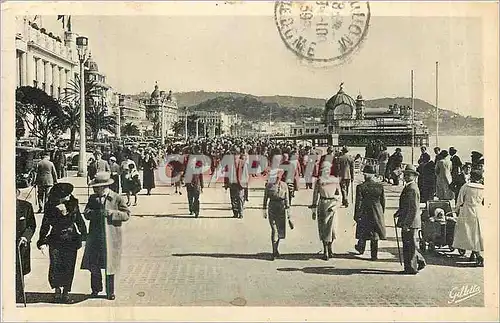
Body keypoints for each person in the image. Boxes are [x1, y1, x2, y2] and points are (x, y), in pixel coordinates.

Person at [81, 172, 131, 300]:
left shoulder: (116, 198)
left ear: (104, 187)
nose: (94, 189)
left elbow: (126, 214)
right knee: (94, 264)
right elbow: (86, 213)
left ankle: (110, 292)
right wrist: (95, 213)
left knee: (110, 266)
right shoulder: (93, 198)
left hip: (111, 237)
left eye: (97, 187)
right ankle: (95, 289)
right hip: (95, 236)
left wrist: (112, 213)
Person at [36, 183, 87, 303]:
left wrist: (84, 235)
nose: (69, 196)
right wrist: (42, 240)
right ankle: (57, 290)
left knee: (69, 266)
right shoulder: (50, 207)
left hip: (71, 239)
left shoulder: (73, 204)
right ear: (59, 196)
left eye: (69, 194)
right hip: (55, 239)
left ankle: (66, 292)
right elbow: (45, 225)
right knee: (55, 265)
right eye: (66, 195)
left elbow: (79, 220)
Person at [394, 165, 426, 274]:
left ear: (414, 176)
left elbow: (413, 208)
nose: (406, 176)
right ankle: (420, 260)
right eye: (405, 174)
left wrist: (407, 224)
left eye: (409, 174)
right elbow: (406, 205)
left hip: (410, 222)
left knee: (409, 245)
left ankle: (411, 268)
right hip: (410, 220)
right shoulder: (410, 186)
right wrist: (399, 212)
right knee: (410, 243)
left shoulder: (412, 188)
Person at [354, 165, 386, 260]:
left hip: (365, 211)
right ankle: (374, 255)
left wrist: (356, 215)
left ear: (365, 174)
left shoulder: (361, 187)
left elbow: (358, 202)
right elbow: (383, 202)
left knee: (363, 230)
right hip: (377, 211)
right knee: (375, 233)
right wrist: (381, 212)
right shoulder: (380, 186)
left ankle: (361, 248)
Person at [310, 161, 341, 261]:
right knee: (324, 228)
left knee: (332, 229)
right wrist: (314, 210)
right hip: (323, 204)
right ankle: (325, 251)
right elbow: (315, 196)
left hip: (331, 204)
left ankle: (330, 248)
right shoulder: (319, 181)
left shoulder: (335, 181)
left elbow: (339, 195)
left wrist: (336, 205)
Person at [452, 170, 484, 267]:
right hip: (479, 210)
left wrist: (457, 209)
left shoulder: (466, 186)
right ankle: (474, 253)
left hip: (467, 210)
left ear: (471, 177)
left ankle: (477, 255)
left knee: (468, 233)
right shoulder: (484, 188)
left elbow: (460, 199)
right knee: (477, 233)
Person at [262, 168, 290, 260]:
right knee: (274, 229)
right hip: (272, 207)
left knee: (280, 230)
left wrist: (288, 211)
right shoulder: (269, 186)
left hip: (281, 208)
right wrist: (264, 210)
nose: (277, 178)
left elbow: (287, 199)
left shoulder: (284, 185)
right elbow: (265, 198)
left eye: (279, 176)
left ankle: (276, 248)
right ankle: (274, 251)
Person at [16, 186, 37, 303]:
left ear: (17, 193)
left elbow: (31, 225)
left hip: (21, 245)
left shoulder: (26, 206)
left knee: (20, 271)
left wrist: (25, 237)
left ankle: (18, 294)